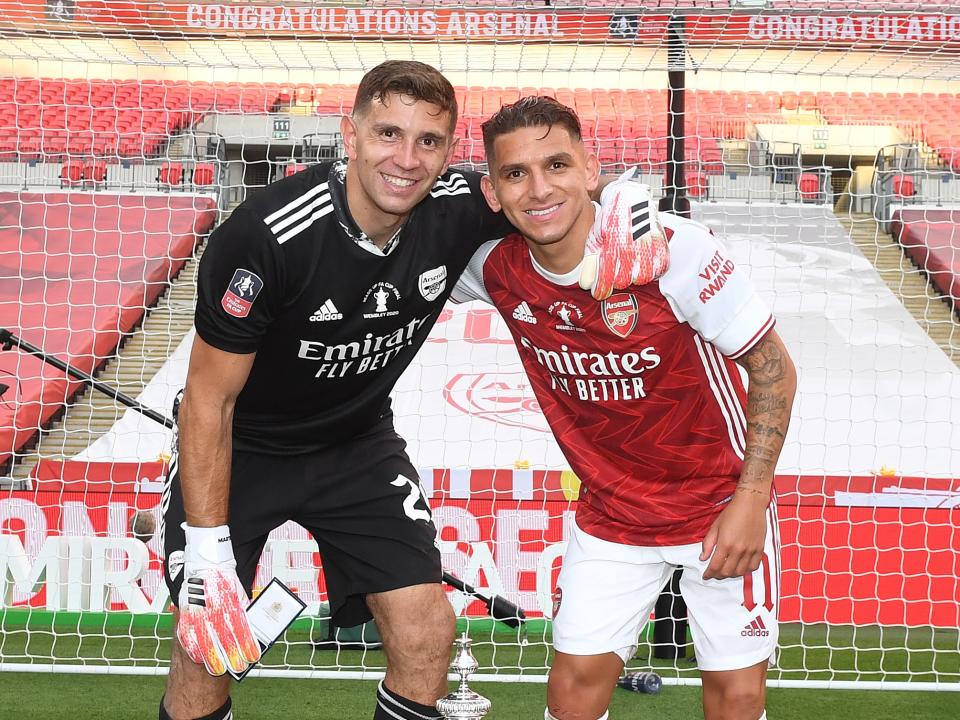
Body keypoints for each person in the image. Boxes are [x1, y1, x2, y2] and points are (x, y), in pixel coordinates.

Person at [158, 62, 663, 720]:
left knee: (426, 633)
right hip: (242, 448)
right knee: (208, 652)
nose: (406, 159)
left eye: (428, 141)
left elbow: (551, 195)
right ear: (351, 135)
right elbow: (208, 402)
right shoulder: (265, 237)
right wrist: (207, 553)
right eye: (388, 134)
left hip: (355, 445)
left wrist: (631, 199)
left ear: (450, 151)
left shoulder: (458, 209)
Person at [450, 96, 797, 720]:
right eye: (515, 174)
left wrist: (751, 501)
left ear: (591, 168)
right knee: (573, 691)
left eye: (557, 165)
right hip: (612, 514)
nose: (539, 188)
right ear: (493, 193)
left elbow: (774, 370)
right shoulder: (494, 268)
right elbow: (410, 215)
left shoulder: (672, 250)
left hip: (718, 507)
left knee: (737, 698)